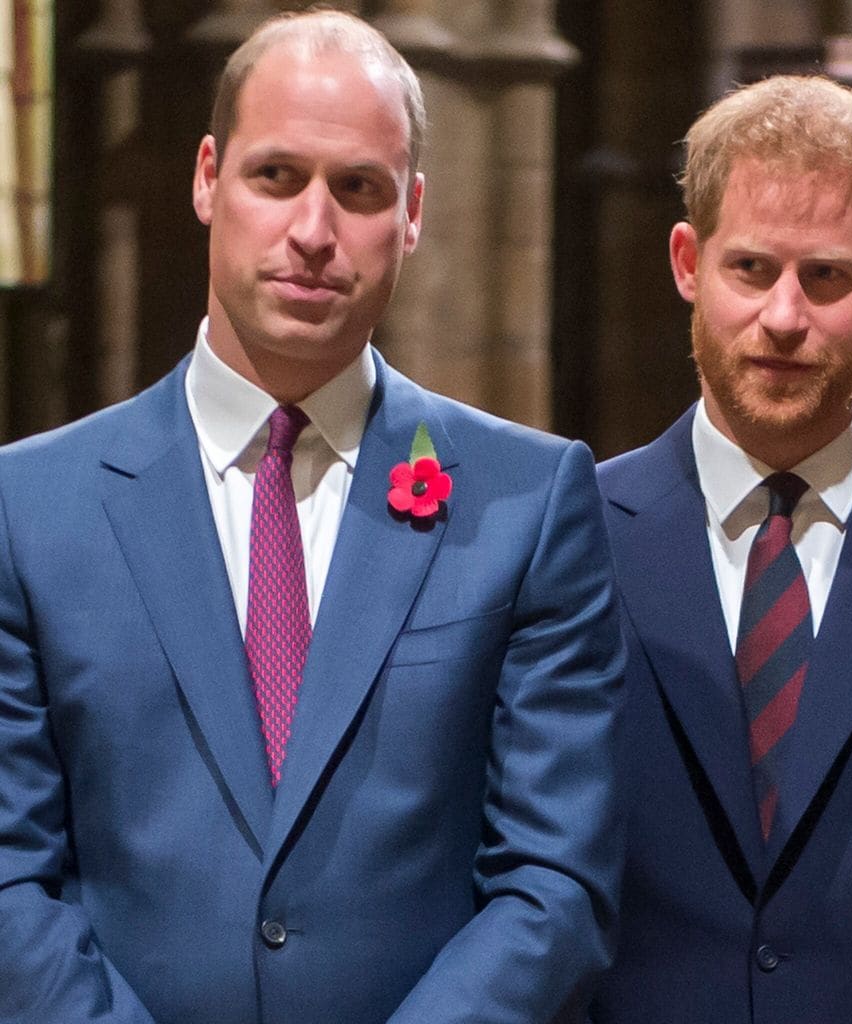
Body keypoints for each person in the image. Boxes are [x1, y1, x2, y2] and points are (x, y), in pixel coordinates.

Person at [0, 10, 624, 1024]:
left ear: (413, 211)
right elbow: (9, 873)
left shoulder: (529, 500)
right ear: (208, 178)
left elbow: (554, 881)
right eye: (276, 176)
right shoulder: (29, 508)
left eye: (359, 189)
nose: (314, 232)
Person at [591, 75, 852, 1024]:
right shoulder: (570, 538)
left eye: (825, 276)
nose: (784, 317)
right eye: (751, 269)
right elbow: (517, 876)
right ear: (687, 263)